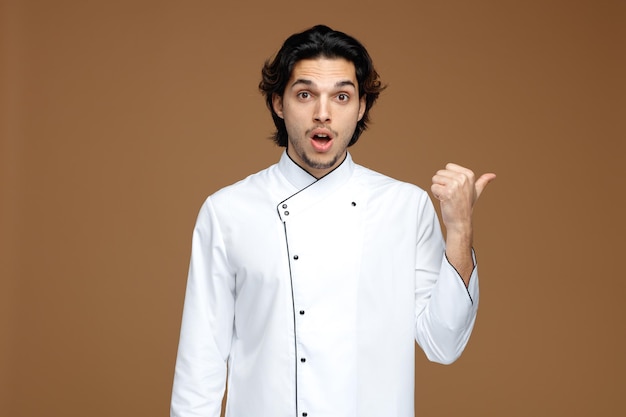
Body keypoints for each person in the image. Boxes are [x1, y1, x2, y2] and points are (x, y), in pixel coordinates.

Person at [171, 24, 496, 417]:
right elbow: (200, 366)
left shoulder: (404, 207)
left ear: (360, 107)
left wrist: (460, 230)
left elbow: (444, 344)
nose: (322, 114)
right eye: (305, 94)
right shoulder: (227, 212)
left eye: (341, 96)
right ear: (278, 103)